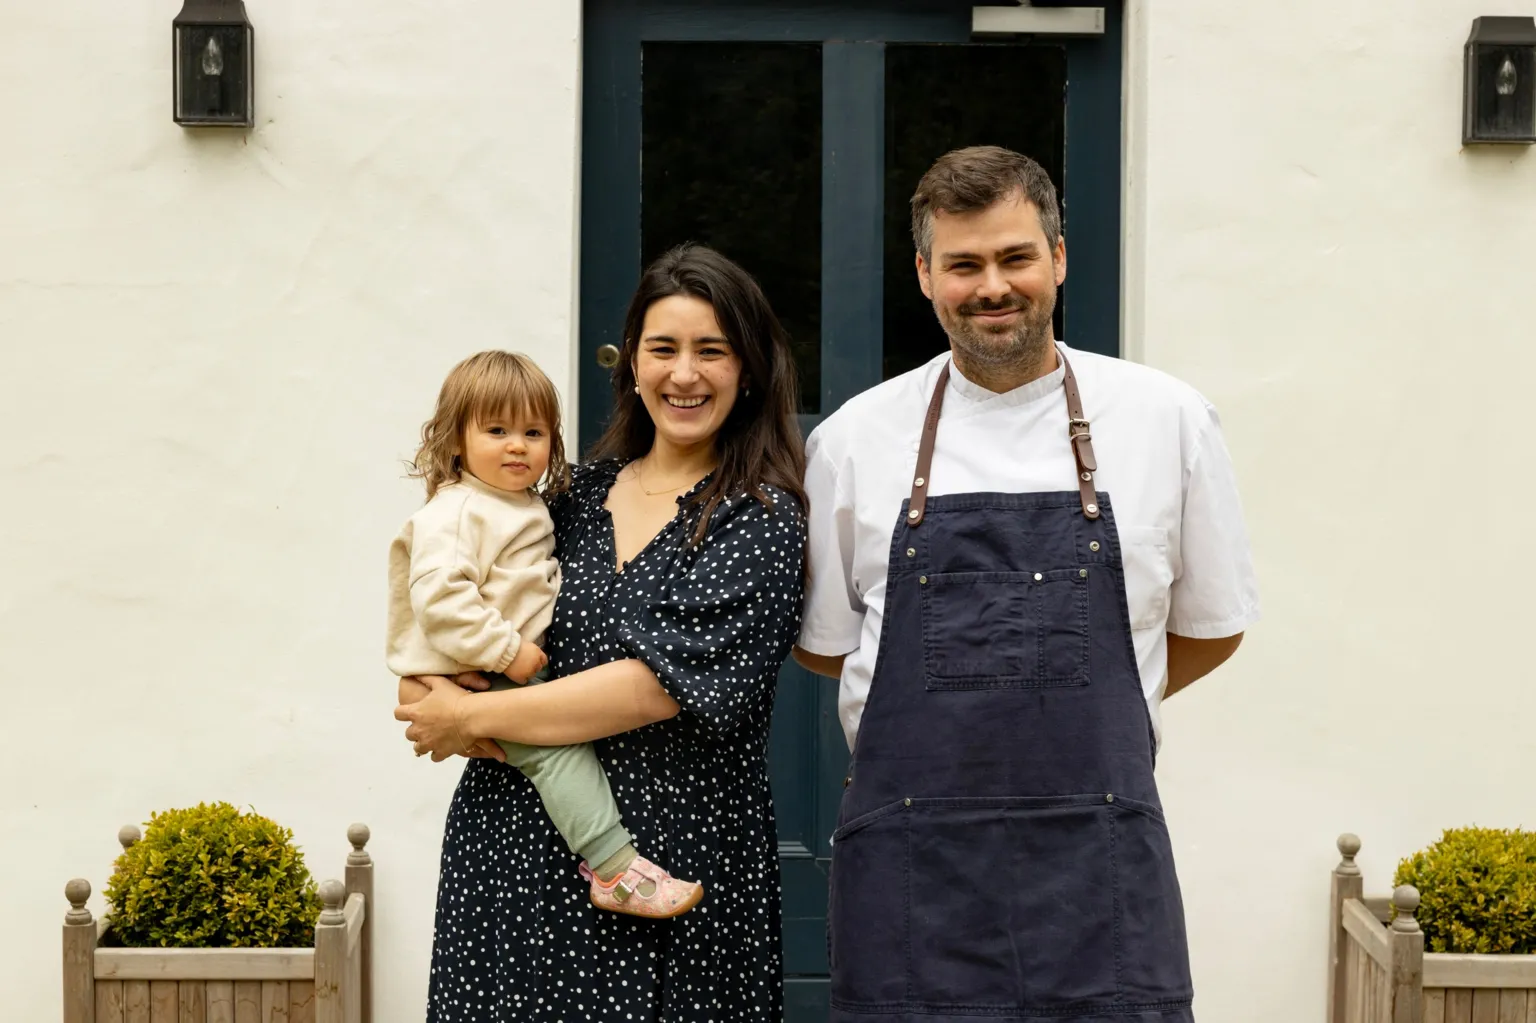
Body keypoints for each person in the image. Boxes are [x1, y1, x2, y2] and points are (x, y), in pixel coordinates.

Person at [793, 145, 1260, 1023]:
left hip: (1100, 878)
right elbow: (829, 647)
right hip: (912, 880)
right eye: (964, 264)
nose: (993, 286)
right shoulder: (854, 441)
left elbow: (1212, 626)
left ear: (1059, 257)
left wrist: (1104, 684)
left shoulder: (1169, 420)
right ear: (925, 275)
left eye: (1016, 257)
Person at [394, 243, 808, 1021]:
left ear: (748, 368)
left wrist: (468, 715)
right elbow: (458, 604)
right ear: (633, 364)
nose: (684, 373)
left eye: (711, 350)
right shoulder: (568, 497)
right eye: (663, 348)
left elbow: (650, 689)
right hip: (513, 855)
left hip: (672, 865)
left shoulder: (760, 519)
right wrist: (430, 687)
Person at [387, 349, 703, 918]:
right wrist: (508, 653)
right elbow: (440, 599)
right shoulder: (458, 512)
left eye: (533, 432)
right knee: (558, 757)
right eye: (497, 431)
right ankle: (615, 868)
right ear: (455, 440)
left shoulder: (519, 502)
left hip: (490, 669)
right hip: (482, 672)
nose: (517, 445)